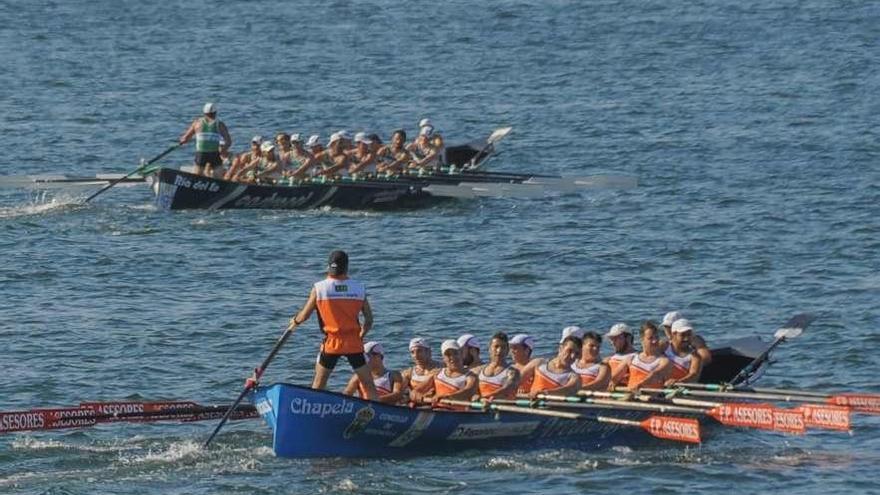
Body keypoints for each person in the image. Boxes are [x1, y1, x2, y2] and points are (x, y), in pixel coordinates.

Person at [280, 250, 379, 400]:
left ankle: (312, 410)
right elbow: (369, 320)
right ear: (346, 267)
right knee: (368, 384)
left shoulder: (319, 288)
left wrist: (294, 321)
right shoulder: (359, 288)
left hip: (331, 343)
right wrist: (360, 335)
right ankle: (374, 414)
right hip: (353, 343)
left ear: (329, 267)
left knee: (318, 385)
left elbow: (304, 315)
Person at [178, 102, 232, 177]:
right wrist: (222, 150)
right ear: (215, 113)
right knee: (218, 173)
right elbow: (228, 141)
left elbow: (185, 138)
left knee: (196, 175)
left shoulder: (197, 123)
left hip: (201, 154)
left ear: (204, 112)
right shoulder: (219, 124)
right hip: (214, 153)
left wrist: (182, 141)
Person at [428, 340, 478, 406]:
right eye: (448, 355)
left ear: (461, 354)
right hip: (438, 410)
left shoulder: (471, 376)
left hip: (458, 413)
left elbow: (467, 391)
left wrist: (446, 396)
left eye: (455, 353)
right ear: (443, 358)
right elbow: (421, 388)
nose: (452, 357)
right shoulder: (437, 373)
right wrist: (415, 393)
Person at [624, 322, 671, 391]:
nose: (654, 341)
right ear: (642, 340)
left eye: (656, 337)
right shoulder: (631, 358)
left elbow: (655, 374)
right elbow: (614, 377)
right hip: (630, 397)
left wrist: (639, 385)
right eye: (650, 338)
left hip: (652, 399)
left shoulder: (664, 361)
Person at [476, 332, 520, 400]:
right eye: (496, 346)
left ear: (507, 350)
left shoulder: (513, 372)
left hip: (503, 408)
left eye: (503, 347)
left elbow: (507, 388)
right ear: (489, 349)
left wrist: (484, 398)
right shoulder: (480, 370)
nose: (499, 350)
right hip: (481, 407)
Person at [663, 319, 703, 386]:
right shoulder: (663, 347)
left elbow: (693, 374)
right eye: (683, 335)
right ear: (674, 334)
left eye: (689, 335)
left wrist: (678, 382)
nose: (686, 338)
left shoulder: (695, 356)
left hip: (683, 388)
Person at [603, 323, 637, 389]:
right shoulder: (609, 359)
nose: (612, 342)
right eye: (611, 339)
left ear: (628, 338)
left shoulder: (636, 357)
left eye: (616, 338)